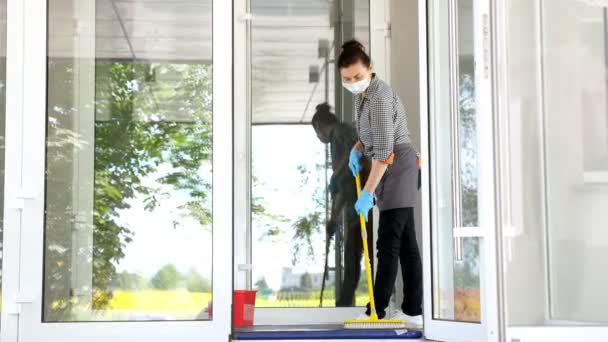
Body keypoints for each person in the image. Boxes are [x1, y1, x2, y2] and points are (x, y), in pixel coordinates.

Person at [338, 39, 423, 328]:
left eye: (358, 77)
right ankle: (413, 310)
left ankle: (378, 310)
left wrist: (366, 192)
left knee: (387, 241)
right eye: (347, 79)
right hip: (388, 163)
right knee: (406, 242)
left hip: (396, 165)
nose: (353, 83)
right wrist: (357, 147)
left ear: (370, 69)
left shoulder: (381, 98)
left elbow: (386, 151)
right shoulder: (361, 96)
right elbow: (371, 136)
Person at [311, 103, 372, 307]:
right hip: (354, 208)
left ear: (320, 126)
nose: (318, 138)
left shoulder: (341, 131)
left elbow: (355, 152)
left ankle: (372, 300)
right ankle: (345, 303)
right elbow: (343, 188)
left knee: (364, 252)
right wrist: (333, 218)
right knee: (353, 254)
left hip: (364, 203)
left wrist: (335, 174)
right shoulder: (335, 142)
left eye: (317, 133)